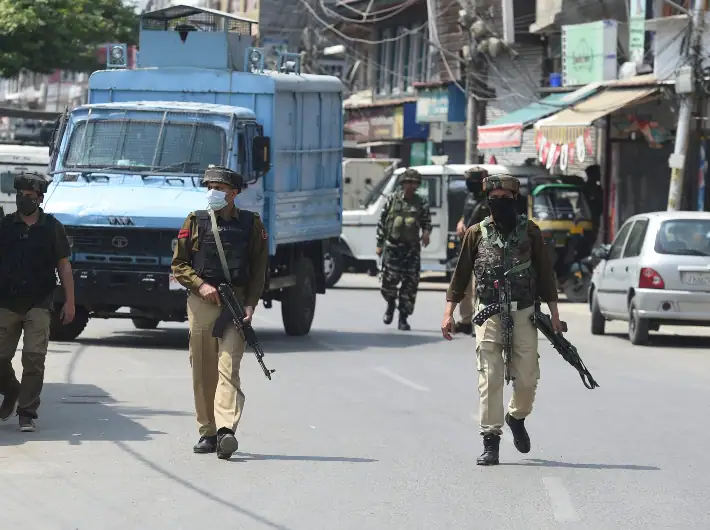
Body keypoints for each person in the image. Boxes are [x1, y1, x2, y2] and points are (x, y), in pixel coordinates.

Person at [441, 174, 563, 466]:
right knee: (490, 376)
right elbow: (460, 276)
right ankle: (490, 440)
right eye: (494, 199)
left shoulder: (530, 232)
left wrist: (555, 314)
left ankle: (516, 417)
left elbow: (546, 275)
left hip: (523, 312)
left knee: (528, 377)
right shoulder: (475, 233)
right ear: (487, 202)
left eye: (505, 199)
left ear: (515, 200)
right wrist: (449, 313)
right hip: (489, 312)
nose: (500, 203)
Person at [171, 166, 268, 460]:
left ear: (233, 193)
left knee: (229, 365)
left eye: (219, 187)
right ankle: (208, 432)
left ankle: (226, 430)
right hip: (202, 303)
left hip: (235, 302)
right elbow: (179, 264)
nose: (212, 192)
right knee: (203, 368)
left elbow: (259, 268)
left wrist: (251, 302)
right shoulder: (195, 220)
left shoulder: (251, 224)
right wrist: (200, 286)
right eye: (209, 187)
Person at [0, 172, 75, 432]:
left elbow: (64, 266)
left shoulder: (52, 228)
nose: (23, 200)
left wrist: (70, 302)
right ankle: (12, 390)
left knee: (34, 357)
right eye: (20, 195)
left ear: (40, 199)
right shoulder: (5, 225)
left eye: (29, 196)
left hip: (39, 301)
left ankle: (26, 412)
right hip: (7, 301)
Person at [376, 168, 432, 331]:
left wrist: (426, 233)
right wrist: (379, 244)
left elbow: (427, 222)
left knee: (410, 285)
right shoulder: (392, 200)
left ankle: (403, 318)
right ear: (403, 183)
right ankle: (391, 304)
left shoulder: (421, 202)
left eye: (415, 183)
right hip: (392, 249)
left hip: (411, 251)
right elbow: (382, 222)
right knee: (388, 283)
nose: (412, 186)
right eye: (409, 183)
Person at [454, 167, 490, 335]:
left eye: (471, 182)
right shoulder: (470, 197)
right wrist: (461, 223)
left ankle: (478, 321)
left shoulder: (491, 199)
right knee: (464, 286)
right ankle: (466, 320)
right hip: (466, 247)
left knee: (479, 287)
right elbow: (465, 215)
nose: (469, 185)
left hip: (483, 247)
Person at [584, 164, 604, 241]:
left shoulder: (598, 189)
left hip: (595, 218)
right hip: (587, 219)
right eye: (597, 173)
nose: (599, 175)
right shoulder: (586, 188)